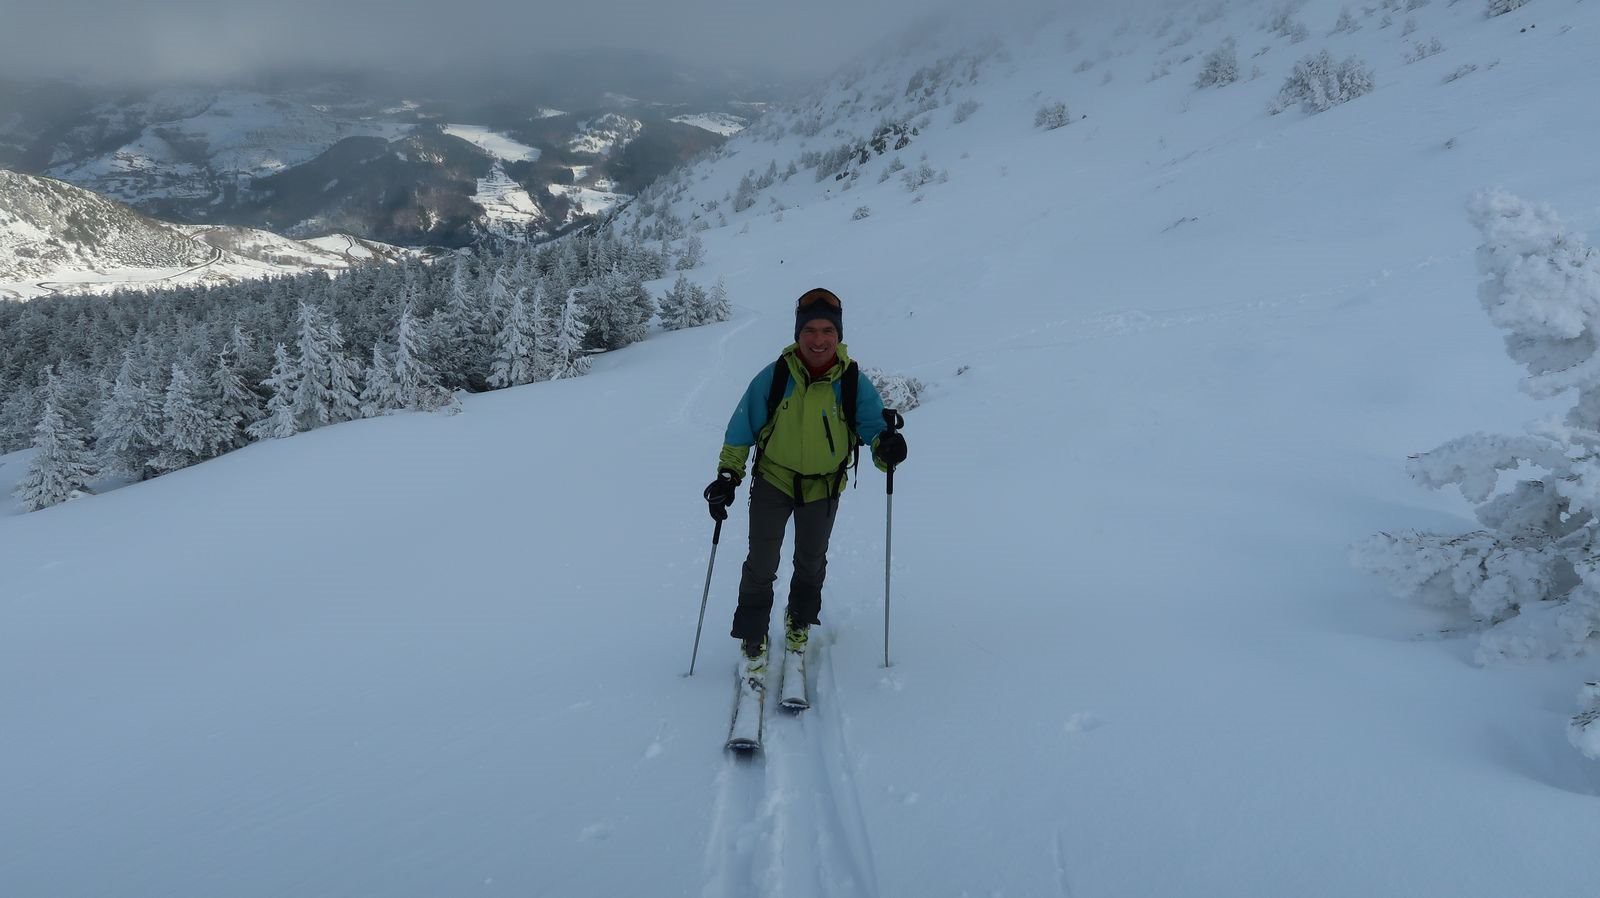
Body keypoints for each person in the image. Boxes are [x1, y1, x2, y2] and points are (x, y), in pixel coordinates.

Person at [703, 287, 909, 671]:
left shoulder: (851, 382)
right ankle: (753, 632)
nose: (818, 340)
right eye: (810, 330)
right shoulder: (775, 377)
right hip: (773, 480)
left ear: (838, 335)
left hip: (824, 486)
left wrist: (888, 449)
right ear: (798, 334)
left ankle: (799, 621)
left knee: (811, 561)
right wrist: (728, 475)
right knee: (761, 563)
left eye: (827, 331)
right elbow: (741, 430)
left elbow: (874, 430)